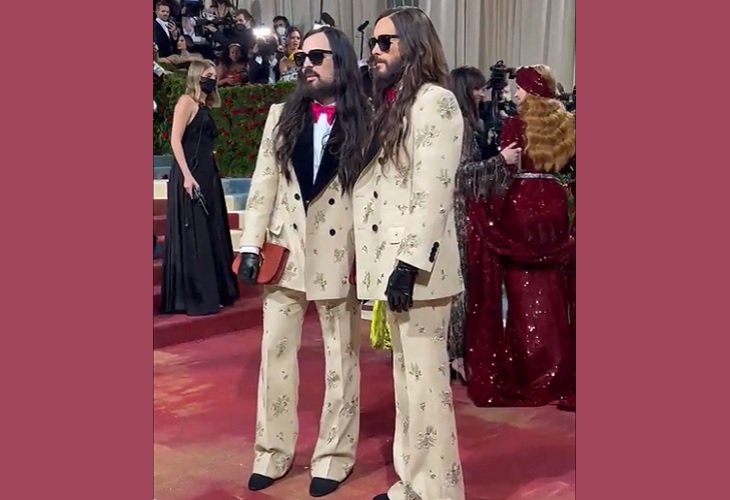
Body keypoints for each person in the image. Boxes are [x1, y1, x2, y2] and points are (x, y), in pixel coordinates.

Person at [236, 26, 372, 497]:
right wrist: (250, 246)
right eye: (301, 57)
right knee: (274, 358)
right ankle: (271, 452)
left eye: (318, 55)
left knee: (342, 362)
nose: (307, 63)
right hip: (286, 252)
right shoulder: (281, 115)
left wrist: (373, 261)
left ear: (343, 62)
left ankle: (334, 456)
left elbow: (373, 200)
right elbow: (263, 185)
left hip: (340, 256)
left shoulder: (367, 120)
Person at [354, 7, 465, 500]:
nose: (374, 52)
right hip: (396, 268)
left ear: (415, 46)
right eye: (373, 43)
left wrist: (408, 264)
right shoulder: (396, 103)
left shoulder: (437, 102)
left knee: (426, 390)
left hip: (419, 271)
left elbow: (433, 191)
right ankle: (413, 484)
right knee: (407, 386)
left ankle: (438, 492)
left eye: (385, 43)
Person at [463, 64, 576, 408]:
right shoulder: (568, 125)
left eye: (520, 87)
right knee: (553, 289)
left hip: (522, 206)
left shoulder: (516, 123)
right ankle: (558, 366)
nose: (515, 93)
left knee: (522, 291)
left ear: (531, 89)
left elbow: (506, 166)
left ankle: (528, 369)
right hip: (555, 207)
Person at [447, 66, 521, 383]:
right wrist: (499, 161)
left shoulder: (466, 122)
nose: (481, 94)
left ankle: (457, 353)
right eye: (476, 89)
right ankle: (455, 355)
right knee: (459, 287)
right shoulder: (460, 126)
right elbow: (460, 175)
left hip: (464, 214)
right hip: (457, 215)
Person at [159, 60, 239, 316]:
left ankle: (216, 292)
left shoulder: (204, 106)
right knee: (196, 233)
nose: (212, 80)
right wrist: (186, 175)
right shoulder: (186, 102)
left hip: (207, 174)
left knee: (211, 230)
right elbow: (175, 140)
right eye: (208, 75)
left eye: (214, 76)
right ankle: (197, 296)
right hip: (189, 174)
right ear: (196, 76)